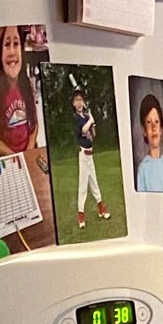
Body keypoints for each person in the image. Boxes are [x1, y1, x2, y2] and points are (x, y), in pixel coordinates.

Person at [0, 24, 53, 235]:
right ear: (0, 53)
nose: (12, 51)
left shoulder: (27, 87)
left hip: (29, 156)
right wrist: (17, 157)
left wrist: (30, 150)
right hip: (7, 161)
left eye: (16, 44)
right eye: (7, 44)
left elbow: (34, 124)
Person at [69, 83, 109, 230]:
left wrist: (93, 125)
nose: (79, 103)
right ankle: (81, 214)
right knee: (83, 185)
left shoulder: (86, 116)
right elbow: (83, 129)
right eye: (76, 100)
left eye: (81, 100)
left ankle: (101, 208)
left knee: (94, 183)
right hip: (82, 155)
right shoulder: (76, 118)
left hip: (90, 155)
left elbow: (92, 134)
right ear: (73, 104)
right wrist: (90, 121)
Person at [134, 93, 163, 192]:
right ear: (144, 131)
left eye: (156, 122)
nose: (153, 128)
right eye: (149, 122)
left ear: (161, 130)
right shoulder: (143, 169)